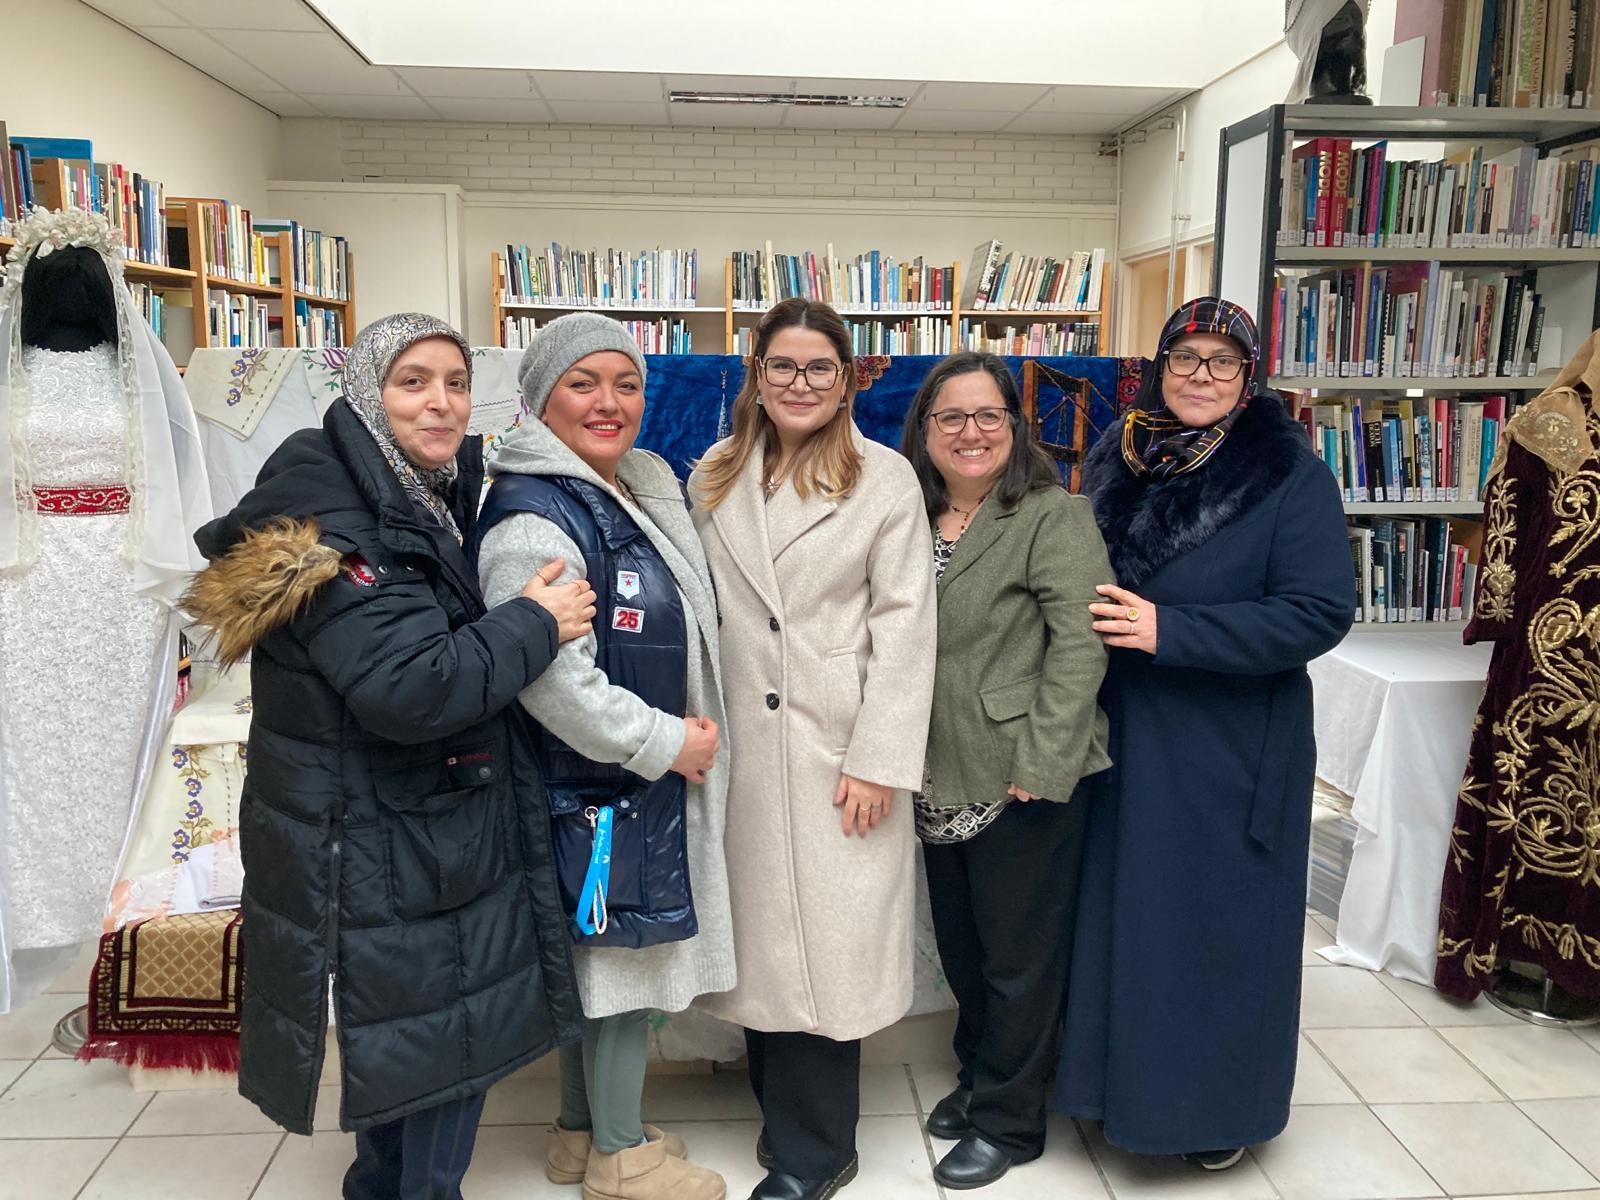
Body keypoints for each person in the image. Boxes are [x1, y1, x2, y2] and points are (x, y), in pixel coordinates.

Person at [183, 313, 593, 1200]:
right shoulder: (342, 519)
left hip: (395, 819)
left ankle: (379, 1188)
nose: (440, 403)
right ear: (368, 392)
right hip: (394, 831)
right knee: (448, 1041)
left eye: (454, 382)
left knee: (407, 1033)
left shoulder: (409, 485)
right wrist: (536, 622)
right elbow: (416, 687)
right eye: (413, 382)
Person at [1054, 297, 1355, 1169]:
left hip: (1225, 743)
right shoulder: (1121, 448)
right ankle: (1106, 1093)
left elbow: (1319, 611)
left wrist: (1171, 633)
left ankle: (1211, 1115)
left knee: (1210, 931)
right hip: (1123, 731)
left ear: (1249, 376)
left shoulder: (1288, 473)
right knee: (1122, 922)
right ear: (1159, 365)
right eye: (1185, 358)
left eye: (1222, 363)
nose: (1200, 378)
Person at [474, 313, 733, 1200]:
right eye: (583, 383)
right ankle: (622, 1159)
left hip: (615, 786)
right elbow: (549, 678)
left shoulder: (619, 488)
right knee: (624, 963)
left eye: (626, 383)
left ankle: (580, 1133)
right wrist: (668, 742)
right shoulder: (535, 516)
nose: (609, 402)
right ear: (542, 398)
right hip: (603, 781)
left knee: (609, 956)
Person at [690, 298, 936, 1200]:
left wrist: (878, 758)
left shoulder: (886, 480)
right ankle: (783, 1124)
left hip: (842, 750)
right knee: (764, 948)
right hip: (742, 752)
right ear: (758, 375)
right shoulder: (715, 472)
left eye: (819, 369)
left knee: (827, 952)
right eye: (782, 367)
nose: (799, 383)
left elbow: (908, 628)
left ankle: (818, 1151)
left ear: (847, 381)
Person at [898, 351, 1112, 1190]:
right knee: (963, 946)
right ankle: (981, 1077)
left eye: (989, 416)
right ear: (925, 430)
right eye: (950, 417)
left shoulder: (1053, 515)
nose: (970, 432)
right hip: (930, 767)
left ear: (1015, 429)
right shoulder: (906, 512)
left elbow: (1080, 645)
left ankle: (1011, 1122)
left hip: (1022, 771)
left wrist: (1045, 760)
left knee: (1019, 960)